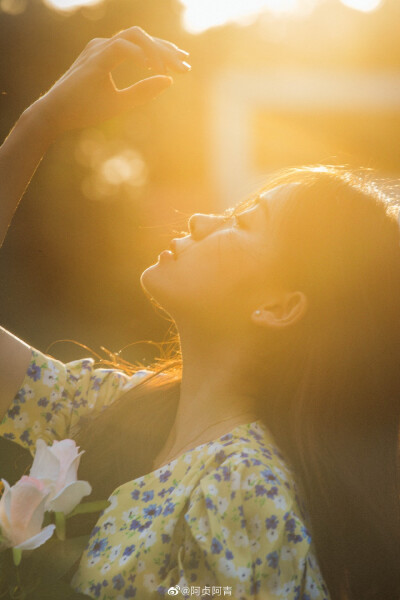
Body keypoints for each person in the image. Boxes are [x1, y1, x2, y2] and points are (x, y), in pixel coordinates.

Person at [0, 26, 399, 600]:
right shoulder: (119, 412)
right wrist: (43, 122)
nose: (200, 221)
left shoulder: (245, 489)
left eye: (243, 221)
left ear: (278, 306)